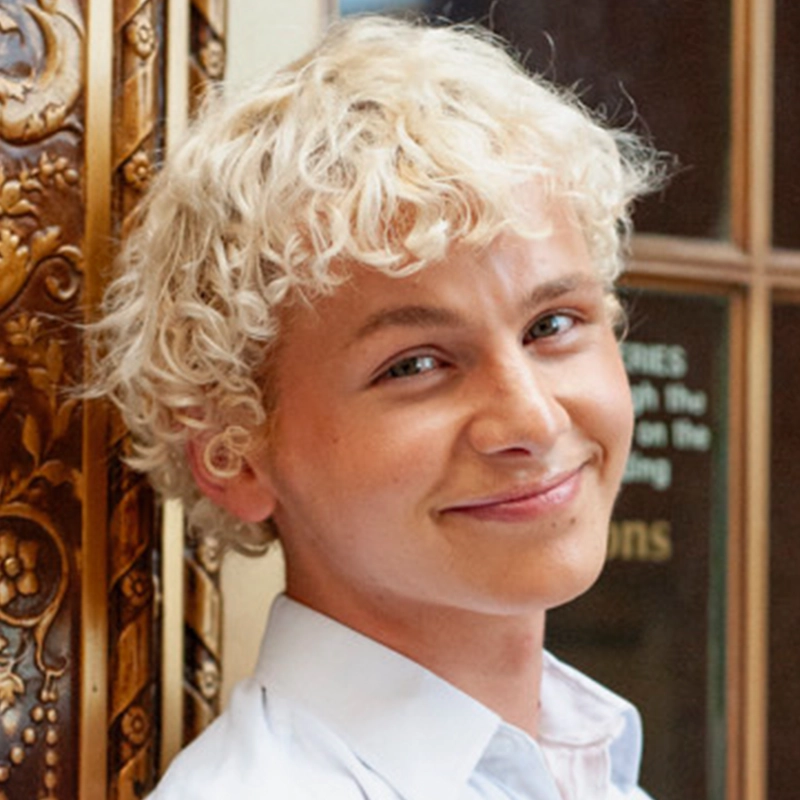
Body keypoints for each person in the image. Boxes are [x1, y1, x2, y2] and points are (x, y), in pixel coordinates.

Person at [91, 15, 662, 799]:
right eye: (416, 365)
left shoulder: (585, 761)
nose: (533, 421)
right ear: (233, 452)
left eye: (552, 325)